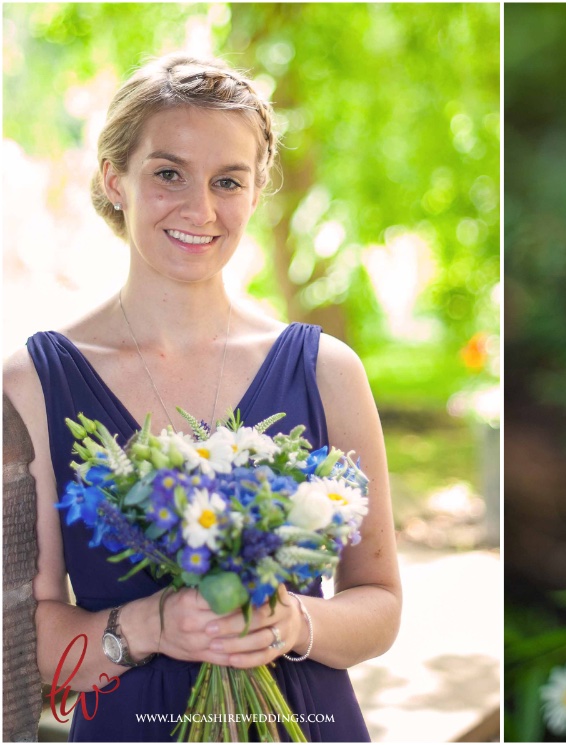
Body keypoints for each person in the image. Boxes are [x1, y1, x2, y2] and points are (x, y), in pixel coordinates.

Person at [2, 53, 400, 741]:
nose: (201, 209)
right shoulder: (31, 385)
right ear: (114, 179)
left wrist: (294, 622)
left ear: (256, 190)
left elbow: (381, 602)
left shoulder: (328, 370)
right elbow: (23, 639)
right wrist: (150, 626)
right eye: (168, 174)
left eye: (227, 181)